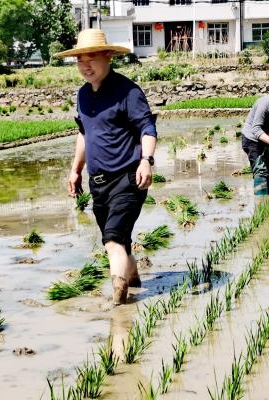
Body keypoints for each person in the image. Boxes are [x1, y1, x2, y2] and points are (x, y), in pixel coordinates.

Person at [55, 29, 158, 305]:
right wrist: (76, 170)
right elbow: (84, 133)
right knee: (120, 242)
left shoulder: (128, 92)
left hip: (128, 177)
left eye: (91, 58)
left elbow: (147, 129)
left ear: (108, 56)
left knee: (111, 240)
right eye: (79, 60)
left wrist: (147, 161)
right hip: (98, 183)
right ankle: (134, 280)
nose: (84, 66)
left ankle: (118, 304)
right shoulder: (83, 95)